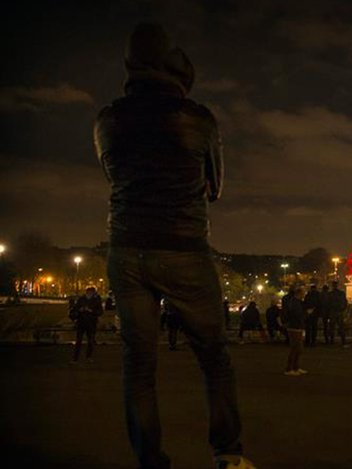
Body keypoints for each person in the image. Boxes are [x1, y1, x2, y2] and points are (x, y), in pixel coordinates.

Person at [94, 22, 252, 468]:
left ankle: (150, 460)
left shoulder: (107, 119)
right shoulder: (198, 119)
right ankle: (228, 453)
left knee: (139, 364)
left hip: (126, 250)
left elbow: (114, 176)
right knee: (215, 358)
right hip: (183, 247)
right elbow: (215, 187)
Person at [70, 286, 103, 363]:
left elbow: (100, 311)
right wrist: (86, 310)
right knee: (83, 341)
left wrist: (89, 310)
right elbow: (100, 312)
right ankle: (85, 357)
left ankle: (77, 358)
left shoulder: (82, 300)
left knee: (87, 341)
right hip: (87, 322)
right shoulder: (95, 300)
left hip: (86, 322)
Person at [285, 287, 308, 376]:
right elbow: (297, 315)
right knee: (295, 348)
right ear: (299, 293)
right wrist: (306, 314)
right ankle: (289, 368)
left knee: (298, 348)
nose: (304, 295)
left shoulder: (295, 302)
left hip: (296, 326)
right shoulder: (295, 303)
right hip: (295, 327)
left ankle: (295, 367)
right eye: (303, 293)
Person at [327, 281, 348, 346]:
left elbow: (328, 304)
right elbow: (345, 302)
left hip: (333, 312)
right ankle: (343, 341)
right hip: (340, 312)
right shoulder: (341, 293)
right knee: (341, 327)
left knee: (332, 327)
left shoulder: (330, 294)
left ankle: (331, 341)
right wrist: (343, 309)